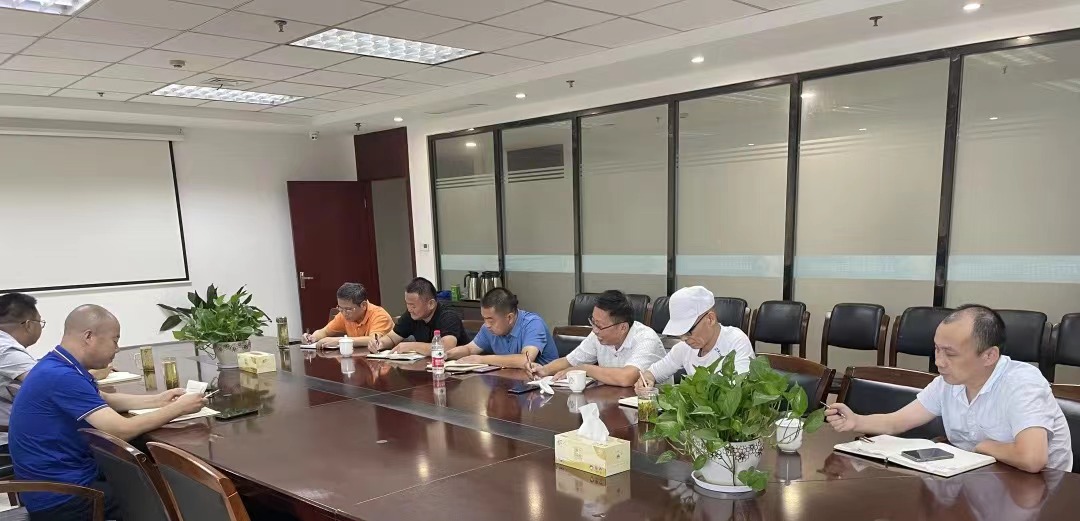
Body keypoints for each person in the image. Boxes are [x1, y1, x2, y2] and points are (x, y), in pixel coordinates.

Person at [10, 305, 207, 520]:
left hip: (59, 483)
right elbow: (120, 430)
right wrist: (178, 408)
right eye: (115, 340)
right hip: (64, 497)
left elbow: (104, 399)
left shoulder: (57, 364)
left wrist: (158, 400)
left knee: (154, 477)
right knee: (178, 497)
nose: (118, 348)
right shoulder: (61, 376)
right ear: (89, 337)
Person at [825, 304, 1073, 473]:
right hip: (981, 478)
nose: (939, 362)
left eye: (950, 354)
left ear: (989, 355)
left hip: (1042, 491)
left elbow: (1032, 459)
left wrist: (983, 447)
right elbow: (897, 422)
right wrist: (856, 421)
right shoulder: (948, 382)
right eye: (936, 349)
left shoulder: (1022, 383)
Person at [0, 294, 110, 440]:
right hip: (12, 437)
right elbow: (50, 381)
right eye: (40, 322)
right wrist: (90, 372)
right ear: (28, 325)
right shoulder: (6, 350)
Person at [525, 290, 665, 387]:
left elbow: (626, 378)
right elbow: (570, 361)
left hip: (653, 410)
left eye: (600, 325)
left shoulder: (646, 339)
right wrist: (544, 370)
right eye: (593, 322)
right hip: (612, 403)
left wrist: (585, 369)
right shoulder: (598, 334)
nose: (594, 330)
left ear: (623, 327)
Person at [635, 286, 755, 390]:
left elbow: (739, 387)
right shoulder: (684, 347)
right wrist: (647, 379)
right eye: (680, 333)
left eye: (688, 331)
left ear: (710, 319)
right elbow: (653, 373)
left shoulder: (736, 341)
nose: (684, 339)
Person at [447, 288, 558, 368]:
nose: (487, 324)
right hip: (509, 381)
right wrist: (446, 354)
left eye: (490, 320)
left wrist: (481, 359)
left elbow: (525, 359)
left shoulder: (533, 324)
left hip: (542, 385)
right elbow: (470, 349)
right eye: (484, 319)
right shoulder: (487, 328)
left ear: (509, 318)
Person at [368, 277, 470, 355]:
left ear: (431, 304)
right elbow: (392, 338)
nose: (409, 309)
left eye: (413, 306)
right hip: (426, 367)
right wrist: (379, 344)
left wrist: (412, 346)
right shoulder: (411, 315)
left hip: (455, 369)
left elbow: (446, 348)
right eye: (407, 304)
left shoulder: (448, 315)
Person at [303, 282, 394, 348]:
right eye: (340, 308)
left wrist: (340, 341)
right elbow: (325, 332)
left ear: (363, 305)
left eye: (348, 309)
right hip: (357, 359)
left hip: (381, 363)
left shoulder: (380, 316)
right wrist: (312, 338)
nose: (344, 313)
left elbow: (373, 340)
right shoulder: (343, 314)